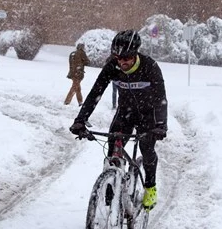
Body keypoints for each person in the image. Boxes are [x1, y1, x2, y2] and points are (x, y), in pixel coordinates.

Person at [70, 30, 167, 210]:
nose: (122, 62)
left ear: (136, 53)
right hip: (125, 113)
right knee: (113, 145)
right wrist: (80, 120)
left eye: (127, 58)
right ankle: (110, 188)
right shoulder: (113, 66)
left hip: (148, 115)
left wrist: (161, 125)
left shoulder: (150, 67)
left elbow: (161, 98)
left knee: (147, 148)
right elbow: (95, 93)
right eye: (118, 57)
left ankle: (150, 187)